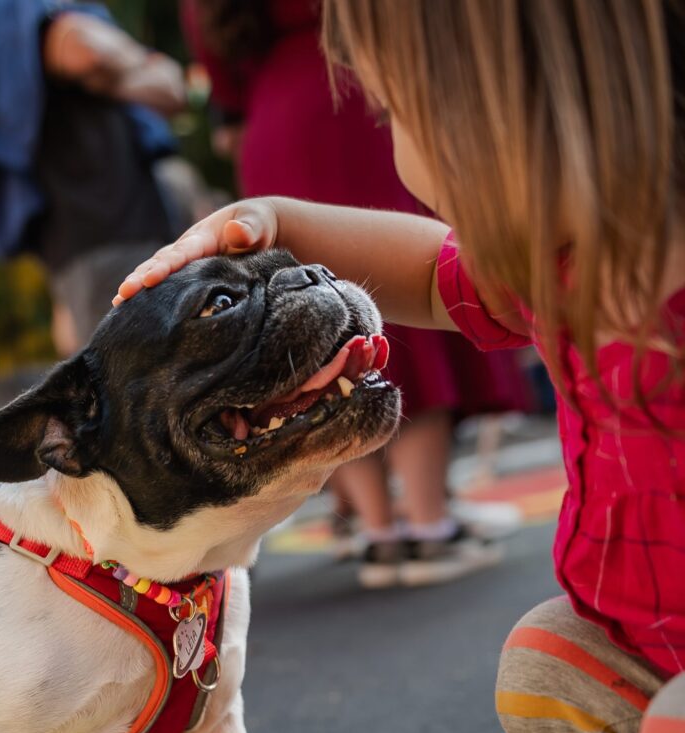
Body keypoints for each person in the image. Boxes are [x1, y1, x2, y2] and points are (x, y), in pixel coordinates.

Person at [114, 1, 685, 733]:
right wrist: (276, 221)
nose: (395, 149)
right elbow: (424, 269)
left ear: (491, 115)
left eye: (392, 114)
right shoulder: (559, 266)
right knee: (544, 662)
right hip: (647, 642)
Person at [182, 0, 526, 588]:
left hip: (273, 123)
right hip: (355, 98)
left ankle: (378, 530)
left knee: (311, 329)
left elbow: (219, 71)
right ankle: (429, 521)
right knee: (403, 298)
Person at [0, 0, 187, 355]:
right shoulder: (6, 10)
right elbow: (86, 50)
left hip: (112, 243)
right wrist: (135, 64)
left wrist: (107, 77)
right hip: (105, 242)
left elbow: (171, 86)